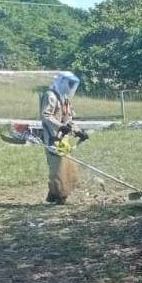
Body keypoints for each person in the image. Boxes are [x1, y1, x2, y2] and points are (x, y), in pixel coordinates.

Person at [40, 72, 88, 205]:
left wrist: (79, 132)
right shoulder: (50, 96)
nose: (71, 87)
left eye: (73, 85)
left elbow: (69, 119)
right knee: (57, 169)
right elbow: (46, 115)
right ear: (62, 82)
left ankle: (55, 194)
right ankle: (58, 197)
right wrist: (60, 126)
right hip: (52, 137)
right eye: (70, 84)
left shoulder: (65, 98)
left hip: (64, 139)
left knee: (69, 168)